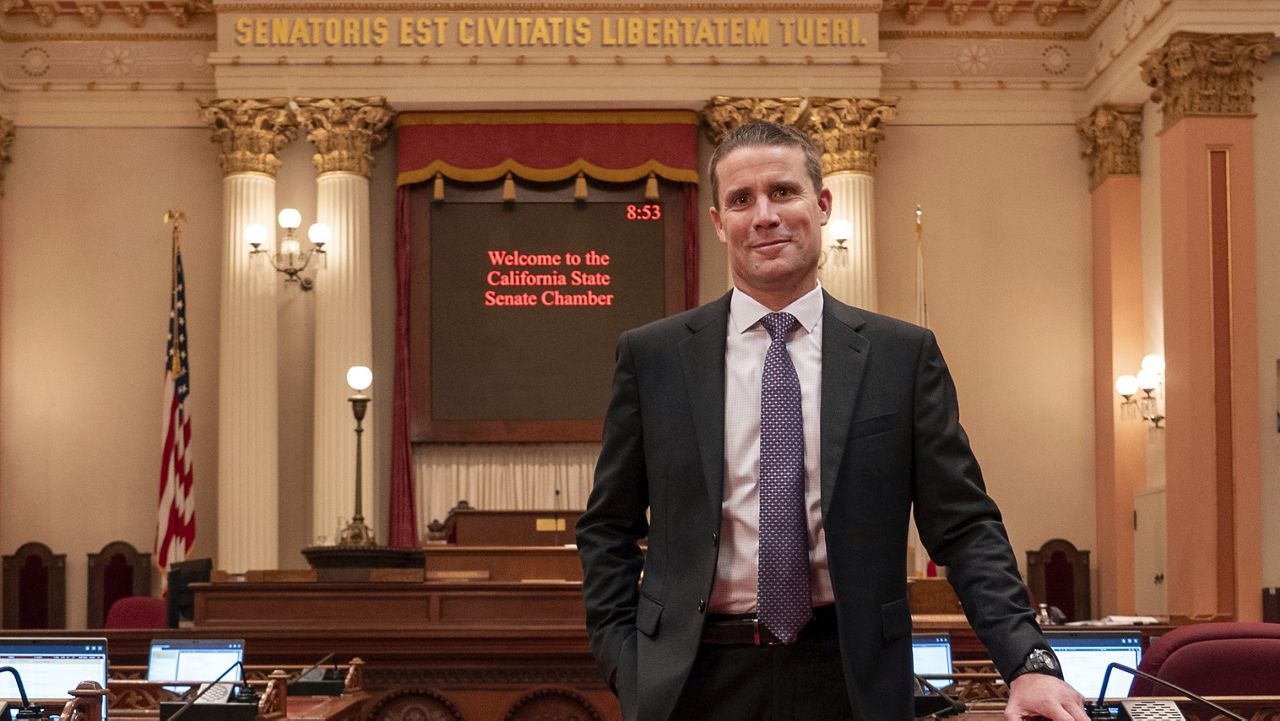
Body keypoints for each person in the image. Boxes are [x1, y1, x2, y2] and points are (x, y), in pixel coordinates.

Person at [575, 119, 1088, 721]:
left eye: (783, 192)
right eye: (741, 200)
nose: (763, 214)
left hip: (852, 678)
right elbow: (608, 527)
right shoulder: (654, 357)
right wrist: (628, 666)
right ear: (719, 223)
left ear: (821, 206)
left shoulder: (901, 356)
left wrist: (1027, 662)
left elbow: (966, 527)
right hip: (695, 679)